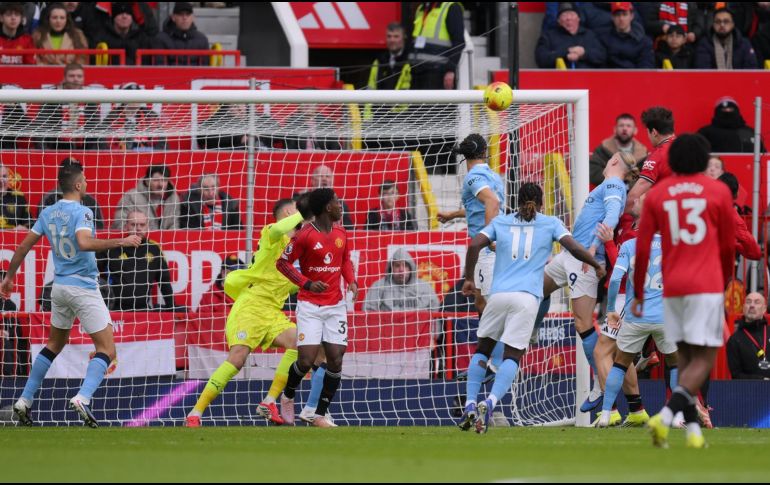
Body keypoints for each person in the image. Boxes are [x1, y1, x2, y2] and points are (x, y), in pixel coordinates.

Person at [0, 163, 141, 427]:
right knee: (107, 349)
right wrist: (121, 240)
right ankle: (83, 398)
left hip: (60, 287)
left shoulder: (48, 212)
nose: (87, 183)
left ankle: (24, 401)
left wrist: (8, 277)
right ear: (77, 185)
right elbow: (84, 242)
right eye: (85, 180)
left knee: (54, 344)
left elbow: (22, 246)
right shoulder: (83, 212)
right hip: (83, 287)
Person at [458, 183, 604, 433]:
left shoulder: (501, 222)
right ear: (541, 203)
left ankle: (470, 404)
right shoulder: (550, 223)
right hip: (526, 299)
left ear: (517, 201)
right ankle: (490, 402)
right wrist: (596, 264)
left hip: (498, 295)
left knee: (483, 350)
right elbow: (574, 247)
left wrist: (469, 278)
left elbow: (474, 245)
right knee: (512, 355)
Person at [637, 133, 735, 449]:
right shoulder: (718, 191)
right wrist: (724, 283)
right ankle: (666, 416)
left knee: (684, 359)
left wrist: (639, 291)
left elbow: (642, 248)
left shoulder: (657, 194)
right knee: (704, 359)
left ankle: (693, 433)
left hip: (672, 285)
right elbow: (727, 247)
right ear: (704, 159)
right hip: (705, 283)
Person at [186, 197, 313, 427]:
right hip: (250, 307)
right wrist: (306, 212)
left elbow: (291, 283)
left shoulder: (297, 252)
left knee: (300, 342)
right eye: (297, 211)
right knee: (237, 359)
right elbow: (278, 229)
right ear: (287, 214)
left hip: (273, 313)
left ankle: (269, 401)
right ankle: (195, 413)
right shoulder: (272, 236)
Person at [538, 152, 638, 411]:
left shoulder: (615, 185)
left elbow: (613, 216)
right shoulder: (607, 186)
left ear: (615, 161)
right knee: (536, 289)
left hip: (584, 259)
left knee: (582, 323)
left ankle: (599, 383)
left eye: (609, 158)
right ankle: (531, 331)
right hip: (570, 255)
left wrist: (593, 249)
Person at [276, 188, 358, 428]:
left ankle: (319, 414)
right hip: (310, 304)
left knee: (336, 358)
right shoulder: (304, 236)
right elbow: (282, 263)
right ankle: (288, 395)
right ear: (326, 208)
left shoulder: (342, 232)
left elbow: (344, 260)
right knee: (306, 360)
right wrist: (307, 282)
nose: (340, 207)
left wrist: (351, 280)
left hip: (335, 305)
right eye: (336, 203)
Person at [597, 216, 679, 428]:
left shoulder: (630, 245)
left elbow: (615, 279)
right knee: (675, 364)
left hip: (636, 316)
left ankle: (607, 413)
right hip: (664, 316)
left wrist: (612, 309)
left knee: (620, 364)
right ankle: (678, 416)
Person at [98, 210, 175, 311]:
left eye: (142, 225)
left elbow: (164, 281)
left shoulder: (154, 249)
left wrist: (171, 307)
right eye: (134, 224)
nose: (138, 228)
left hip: (143, 312)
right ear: (126, 226)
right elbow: (92, 273)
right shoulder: (113, 248)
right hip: (115, 311)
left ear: (147, 227)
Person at [624, 106, 676, 214]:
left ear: (654, 132)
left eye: (647, 132)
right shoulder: (686, 147)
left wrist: (619, 213)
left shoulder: (658, 155)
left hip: (665, 215)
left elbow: (637, 192)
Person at [362, 248, 440, 312]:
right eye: (397, 266)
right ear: (391, 268)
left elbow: (435, 315)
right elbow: (368, 312)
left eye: (405, 265)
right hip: (388, 330)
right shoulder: (379, 286)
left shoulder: (424, 287)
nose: (401, 270)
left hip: (418, 330)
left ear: (411, 268)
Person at [38, 157, 105, 230]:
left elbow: (99, 229)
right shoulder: (48, 199)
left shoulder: (91, 202)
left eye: (76, 171)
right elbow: (42, 228)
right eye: (68, 170)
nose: (72, 173)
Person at [409, 2, 464, 90]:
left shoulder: (451, 7)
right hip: (416, 72)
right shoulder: (421, 9)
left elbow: (459, 42)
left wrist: (450, 71)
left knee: (437, 103)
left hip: (438, 73)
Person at [97, 82, 166, 151]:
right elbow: (103, 145)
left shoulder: (149, 115)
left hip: (147, 157)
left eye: (137, 96)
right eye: (131, 95)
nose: (135, 99)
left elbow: (161, 144)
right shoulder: (113, 116)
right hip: (118, 158)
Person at [536, 2, 606, 69]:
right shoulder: (548, 36)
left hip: (588, 79)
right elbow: (542, 60)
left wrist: (584, 54)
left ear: (578, 19)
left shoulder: (589, 35)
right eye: (564, 15)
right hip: (559, 79)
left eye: (572, 14)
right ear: (558, 21)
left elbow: (602, 57)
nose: (568, 18)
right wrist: (566, 52)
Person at [364, 23, 410, 120]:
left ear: (404, 38)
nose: (392, 40)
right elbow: (370, 92)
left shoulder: (411, 61)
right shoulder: (378, 61)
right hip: (379, 117)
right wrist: (367, 120)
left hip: (402, 118)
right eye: (389, 36)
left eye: (396, 36)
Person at [113, 165, 180, 231]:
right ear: (147, 181)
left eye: (164, 180)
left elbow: (175, 225)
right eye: (156, 180)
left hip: (166, 241)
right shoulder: (131, 196)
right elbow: (120, 224)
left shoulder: (173, 199)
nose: (160, 184)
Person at [589, 113, 648, 187]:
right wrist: (617, 180)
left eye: (628, 126)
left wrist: (629, 184)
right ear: (615, 129)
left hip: (634, 196)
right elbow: (593, 172)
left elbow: (645, 177)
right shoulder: (602, 150)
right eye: (621, 125)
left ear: (635, 130)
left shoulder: (643, 153)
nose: (624, 128)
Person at [697, 97, 765, 154]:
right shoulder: (705, 133)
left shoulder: (749, 132)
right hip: (715, 168)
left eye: (731, 109)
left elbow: (761, 155)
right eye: (724, 109)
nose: (727, 111)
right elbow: (697, 155)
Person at [726, 292, 770, 380]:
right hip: (748, 391)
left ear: (764, 309)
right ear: (743, 307)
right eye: (748, 302)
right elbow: (736, 375)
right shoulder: (734, 340)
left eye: (757, 302)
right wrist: (761, 380)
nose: (752, 305)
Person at [600, 3, 654, 69]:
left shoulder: (644, 42)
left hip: (635, 78)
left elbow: (646, 66)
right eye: (617, 15)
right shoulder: (603, 39)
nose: (621, 19)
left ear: (631, 16)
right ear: (612, 17)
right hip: (610, 78)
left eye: (624, 14)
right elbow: (601, 64)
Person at [303, 165, 354, 230]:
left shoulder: (340, 204)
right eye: (320, 176)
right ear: (312, 180)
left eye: (327, 176)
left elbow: (349, 228)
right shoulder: (302, 200)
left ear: (332, 180)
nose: (324, 179)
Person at [0, 162, 31, 229]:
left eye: (4, 176)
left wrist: (23, 228)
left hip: (13, 238)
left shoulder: (19, 197)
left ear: (9, 178)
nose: (1, 180)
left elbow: (29, 224)